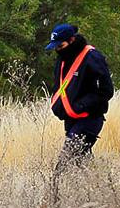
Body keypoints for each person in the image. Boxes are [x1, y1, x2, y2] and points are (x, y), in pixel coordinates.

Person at [45, 23, 114, 171]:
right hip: (70, 119)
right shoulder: (62, 59)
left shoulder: (92, 57)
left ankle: (54, 190)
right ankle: (94, 185)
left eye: (60, 46)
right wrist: (59, 108)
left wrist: (82, 105)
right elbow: (59, 85)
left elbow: (107, 90)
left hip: (90, 119)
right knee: (81, 163)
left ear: (71, 40)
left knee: (64, 165)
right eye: (55, 47)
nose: (58, 50)